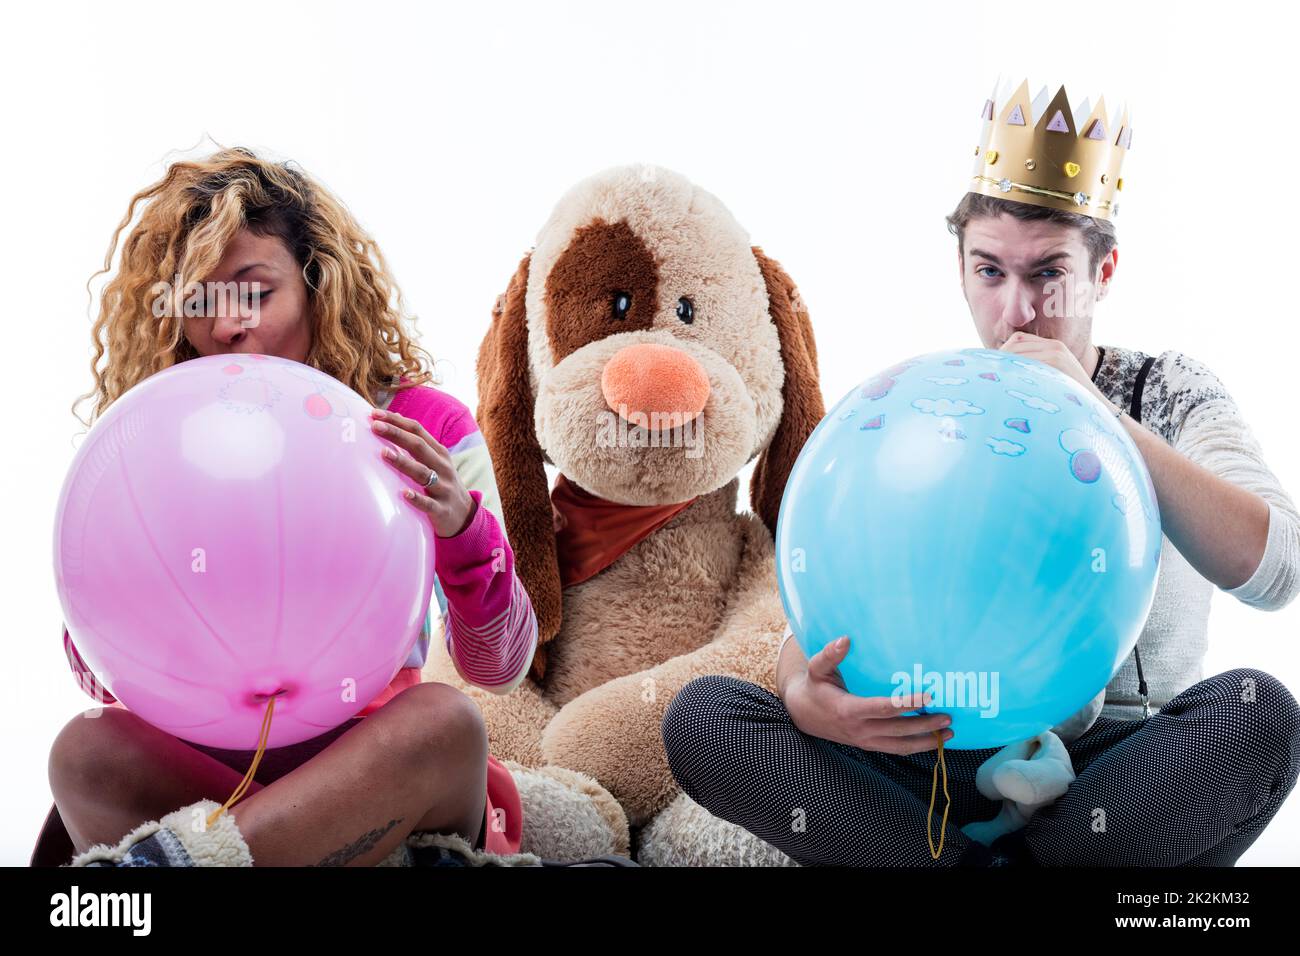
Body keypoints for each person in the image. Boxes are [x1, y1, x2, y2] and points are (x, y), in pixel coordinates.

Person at [662, 79, 1300, 866]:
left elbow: (1276, 571)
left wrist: (1100, 419)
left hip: (1125, 774)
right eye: (990, 271)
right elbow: (829, 615)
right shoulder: (927, 406)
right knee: (705, 718)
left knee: (1260, 713)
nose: (1018, 310)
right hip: (936, 755)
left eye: (1049, 274)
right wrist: (806, 694)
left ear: (1104, 272)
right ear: (960, 267)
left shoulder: (1167, 390)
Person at [46, 147, 538, 866]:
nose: (225, 328)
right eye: (198, 303)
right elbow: (102, 678)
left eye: (253, 293)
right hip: (209, 782)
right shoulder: (159, 440)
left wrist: (464, 529)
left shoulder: (423, 423)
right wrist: (111, 589)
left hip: (379, 782)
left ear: (319, 288)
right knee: (84, 749)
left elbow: (500, 664)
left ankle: (173, 866)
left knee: (447, 721)